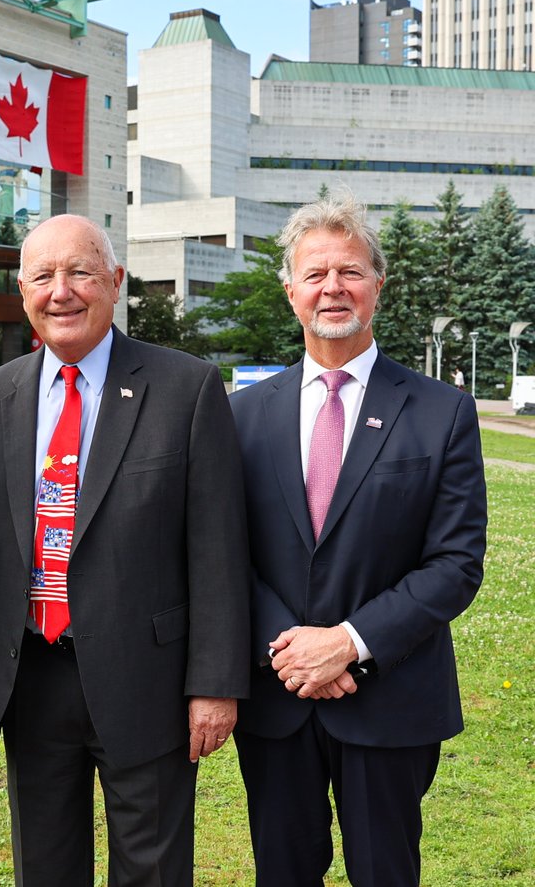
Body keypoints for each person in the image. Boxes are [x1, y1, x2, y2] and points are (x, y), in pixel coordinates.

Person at [0, 214, 250, 886]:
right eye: (44, 275)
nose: (63, 290)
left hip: (150, 678)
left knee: (153, 868)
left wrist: (215, 683)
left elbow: (218, 549)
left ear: (115, 282)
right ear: (22, 291)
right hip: (31, 676)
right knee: (45, 867)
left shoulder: (187, 389)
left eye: (81, 271)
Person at [229, 195, 487, 886]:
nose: (332, 287)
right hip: (276, 697)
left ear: (377, 284)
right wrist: (289, 648)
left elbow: (456, 562)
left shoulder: (443, 412)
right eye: (315, 274)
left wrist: (347, 641)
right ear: (290, 291)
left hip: (391, 699)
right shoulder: (239, 415)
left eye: (350, 270)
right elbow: (223, 553)